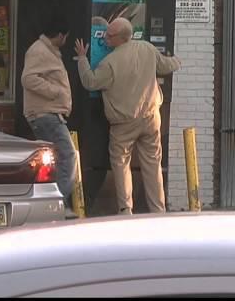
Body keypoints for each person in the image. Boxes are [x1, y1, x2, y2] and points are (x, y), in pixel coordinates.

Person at [74, 17, 181, 214]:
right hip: (151, 117)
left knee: (121, 163)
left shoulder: (109, 63)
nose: (105, 38)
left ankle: (125, 209)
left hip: (123, 123)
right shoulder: (148, 49)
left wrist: (82, 59)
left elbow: (90, 82)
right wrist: (177, 60)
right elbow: (166, 66)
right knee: (153, 164)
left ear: (120, 38)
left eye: (109, 35)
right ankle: (158, 210)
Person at [22, 15, 77, 219]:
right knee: (68, 155)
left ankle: (50, 202)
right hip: (46, 114)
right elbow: (28, 79)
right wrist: (55, 92)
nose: (66, 41)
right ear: (60, 35)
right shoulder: (39, 50)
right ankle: (58, 202)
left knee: (52, 161)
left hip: (50, 113)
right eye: (66, 37)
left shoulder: (48, 51)